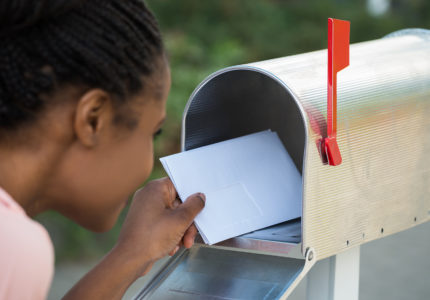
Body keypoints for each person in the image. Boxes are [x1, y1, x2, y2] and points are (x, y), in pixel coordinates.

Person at [0, 0, 205, 299]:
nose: (148, 164)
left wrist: (133, 254)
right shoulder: (13, 245)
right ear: (93, 118)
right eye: (153, 132)